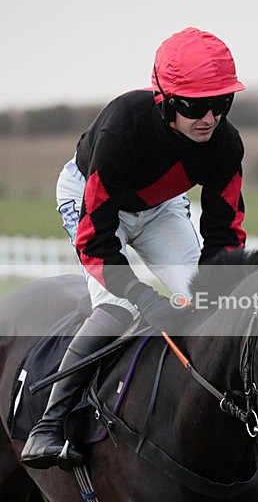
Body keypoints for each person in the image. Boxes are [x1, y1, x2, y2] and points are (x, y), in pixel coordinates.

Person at [21, 27, 246, 470]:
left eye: (221, 104)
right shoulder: (122, 128)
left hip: (160, 208)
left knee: (208, 298)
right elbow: (96, 242)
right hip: (92, 200)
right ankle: (49, 423)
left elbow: (225, 235)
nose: (210, 119)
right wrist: (144, 297)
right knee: (118, 307)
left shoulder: (225, 144)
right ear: (165, 100)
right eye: (195, 106)